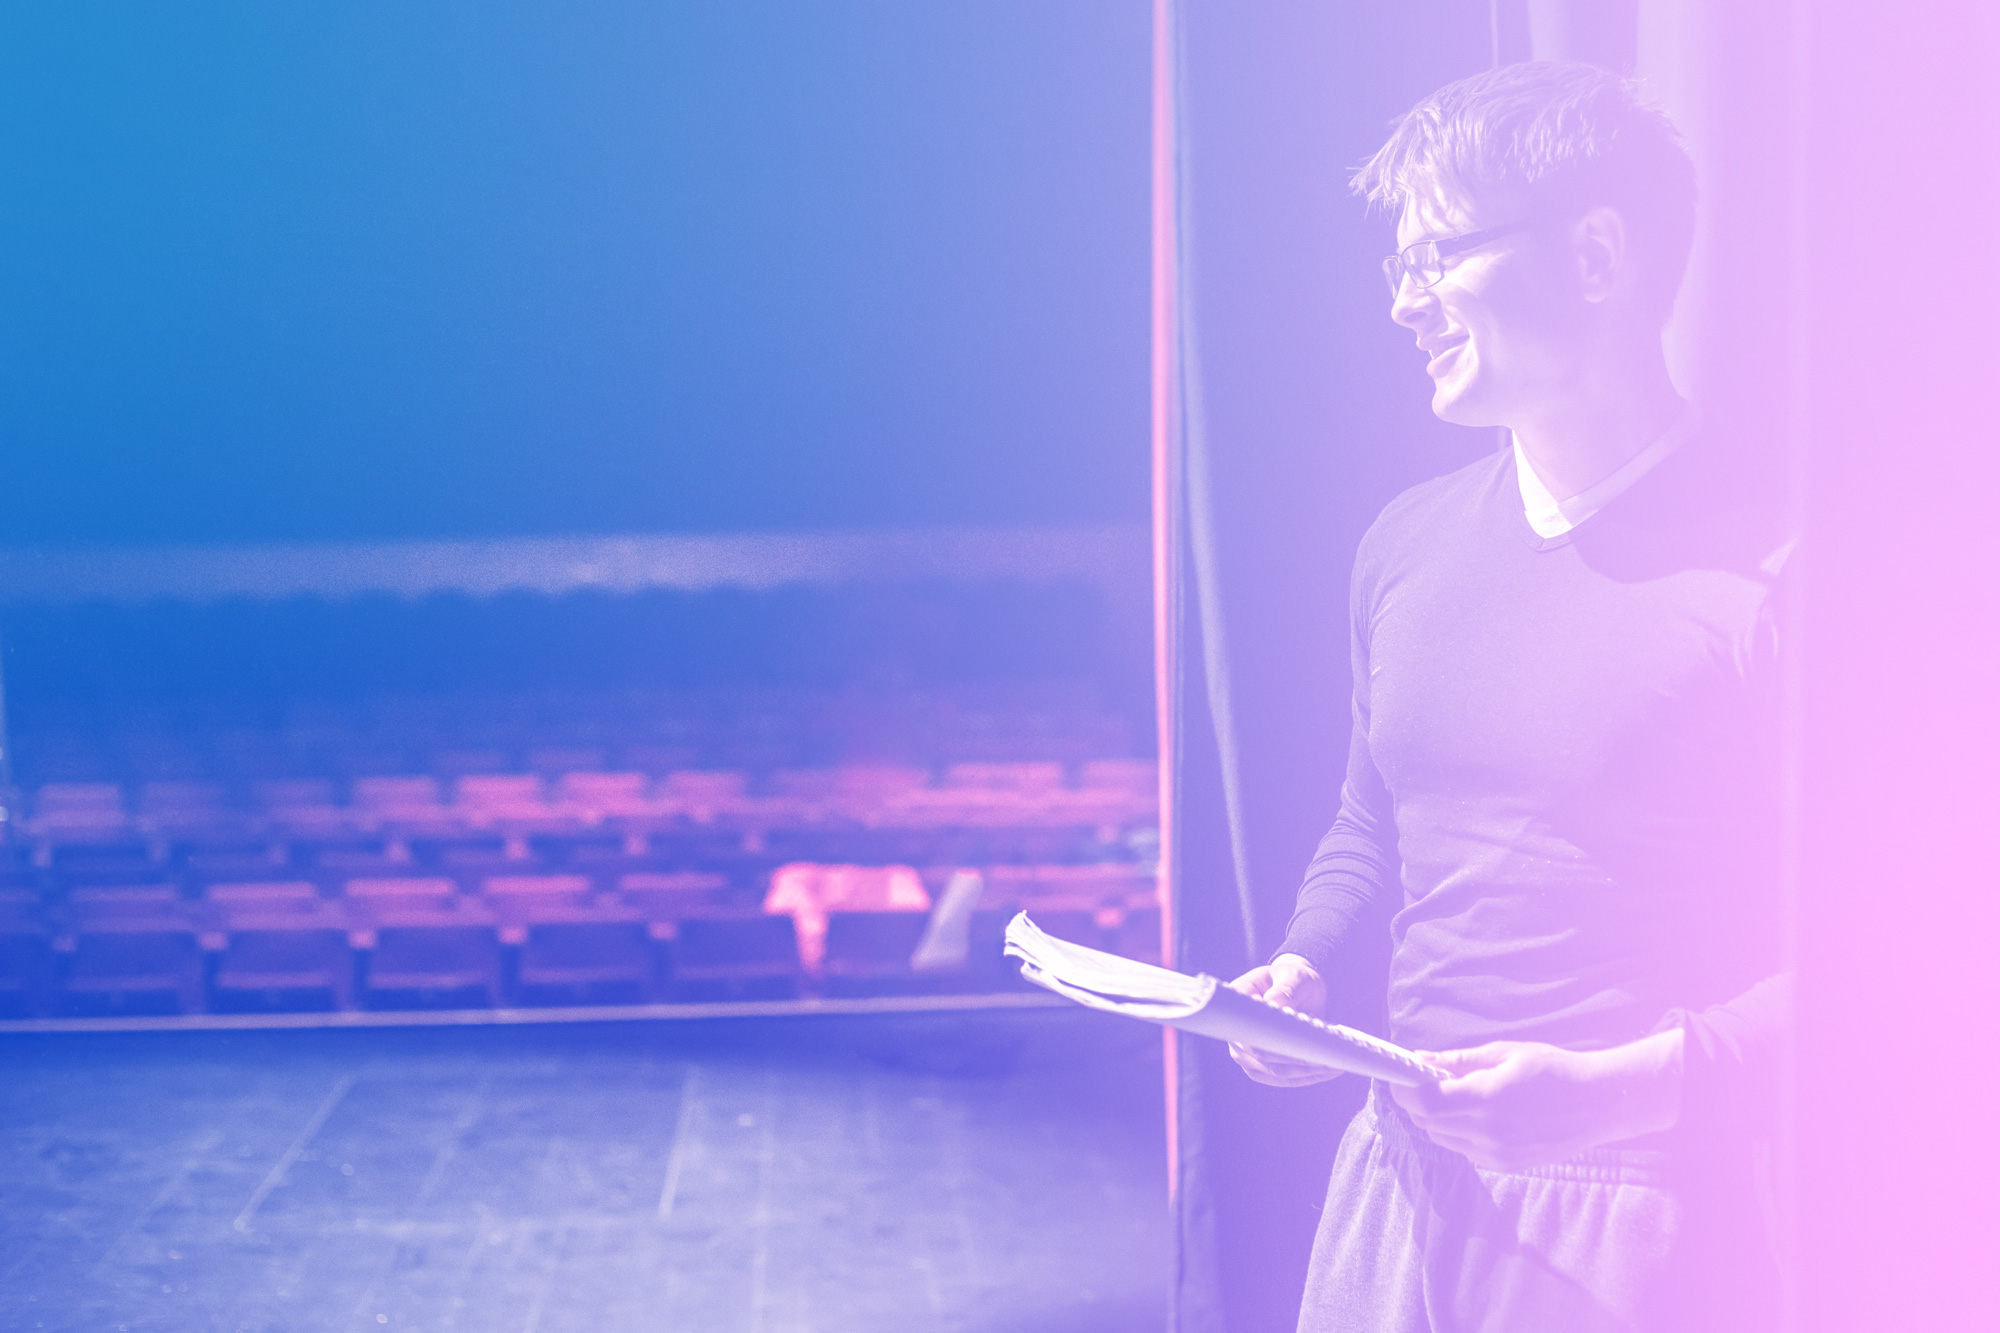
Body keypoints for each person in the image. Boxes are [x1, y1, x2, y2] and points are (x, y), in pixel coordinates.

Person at [1226, 63, 1789, 1332]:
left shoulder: (1781, 570)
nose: (1404, 304)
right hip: (1394, 1186)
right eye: (1394, 269)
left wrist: (1611, 1089)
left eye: (1435, 257)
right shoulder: (1403, 542)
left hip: (1639, 1217)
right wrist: (1304, 967)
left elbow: (1895, 964)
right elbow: (1372, 824)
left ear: (1595, 254)